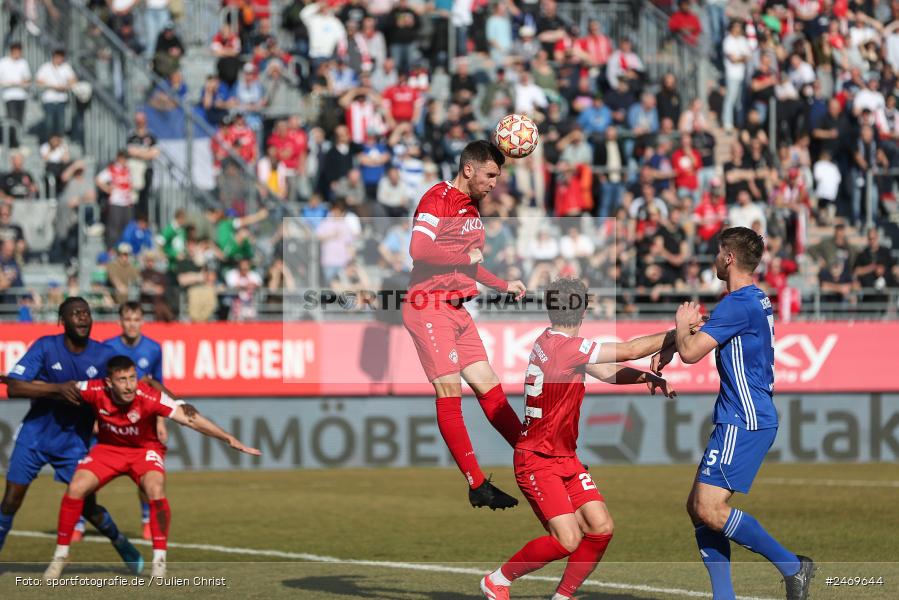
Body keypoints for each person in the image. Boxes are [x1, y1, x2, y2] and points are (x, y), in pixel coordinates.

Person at [480, 277, 677, 600]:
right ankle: (498, 580)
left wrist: (645, 376)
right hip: (537, 459)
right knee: (567, 539)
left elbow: (606, 371)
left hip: (563, 457)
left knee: (600, 527)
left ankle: (564, 596)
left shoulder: (553, 343)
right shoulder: (565, 348)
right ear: (583, 310)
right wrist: (676, 333)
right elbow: (629, 349)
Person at [658, 227, 814, 600]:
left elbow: (693, 352)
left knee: (709, 508)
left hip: (743, 419)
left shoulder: (737, 304)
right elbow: (708, 335)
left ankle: (793, 566)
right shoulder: (754, 299)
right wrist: (676, 340)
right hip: (744, 415)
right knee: (698, 508)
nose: (713, 258)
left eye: (717, 251)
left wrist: (681, 326)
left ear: (728, 258)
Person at [42, 355, 260, 580]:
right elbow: (58, 389)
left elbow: (190, 419)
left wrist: (228, 438)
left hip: (144, 451)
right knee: (76, 487)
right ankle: (61, 555)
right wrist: (20, 383)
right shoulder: (94, 389)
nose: (129, 385)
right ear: (109, 382)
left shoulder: (149, 396)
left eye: (132, 378)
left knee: (155, 489)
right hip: (108, 449)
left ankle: (159, 561)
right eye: (122, 380)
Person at [403, 140, 526, 510]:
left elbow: (468, 263)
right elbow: (419, 250)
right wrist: (464, 253)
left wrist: (504, 285)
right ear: (469, 169)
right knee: (449, 392)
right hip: (428, 307)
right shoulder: (436, 198)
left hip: (458, 310)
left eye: (498, 177)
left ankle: (538, 458)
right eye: (490, 175)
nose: (494, 184)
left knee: (491, 388)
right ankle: (476, 482)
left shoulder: (472, 208)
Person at [0, 298, 143, 574]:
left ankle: (120, 541)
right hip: (35, 436)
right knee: (10, 500)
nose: (83, 318)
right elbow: (14, 387)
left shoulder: (105, 355)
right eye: (76, 313)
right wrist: (56, 389)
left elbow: (132, 386)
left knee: (88, 507)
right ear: (62, 320)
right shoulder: (45, 346)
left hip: (73, 443)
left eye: (87, 313)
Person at [103, 302, 165, 541]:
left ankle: (147, 518)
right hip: (110, 419)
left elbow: (158, 387)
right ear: (120, 322)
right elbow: (101, 385)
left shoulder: (153, 349)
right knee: (87, 474)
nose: (132, 324)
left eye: (136, 319)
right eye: (127, 319)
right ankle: (77, 521)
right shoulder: (108, 347)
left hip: (143, 421)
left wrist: (160, 423)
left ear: (142, 321)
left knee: (145, 475)